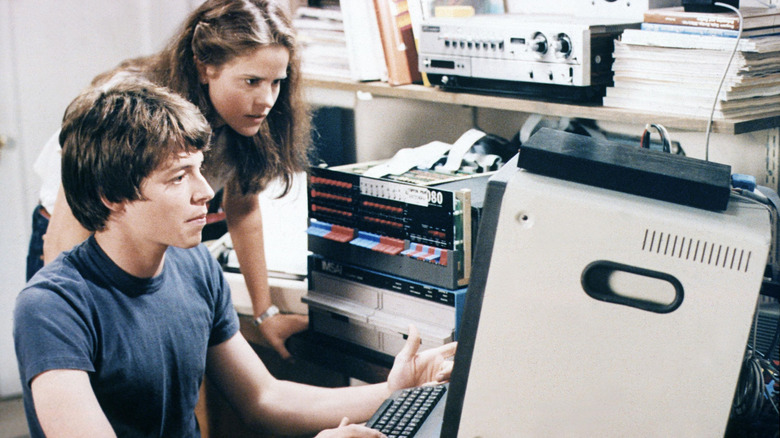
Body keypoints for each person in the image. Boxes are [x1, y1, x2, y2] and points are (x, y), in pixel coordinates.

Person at [14, 79, 456, 437]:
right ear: (112, 196)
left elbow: (265, 400)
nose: (205, 191)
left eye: (200, 168)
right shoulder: (52, 307)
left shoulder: (195, 268)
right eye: (177, 177)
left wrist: (396, 390)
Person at [29, 0, 310, 359]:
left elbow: (242, 209)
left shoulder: (246, 117)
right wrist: (70, 323)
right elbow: (65, 239)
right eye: (252, 81)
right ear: (204, 67)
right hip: (77, 235)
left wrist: (264, 313)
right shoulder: (128, 106)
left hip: (146, 244)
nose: (267, 99)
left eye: (276, 83)